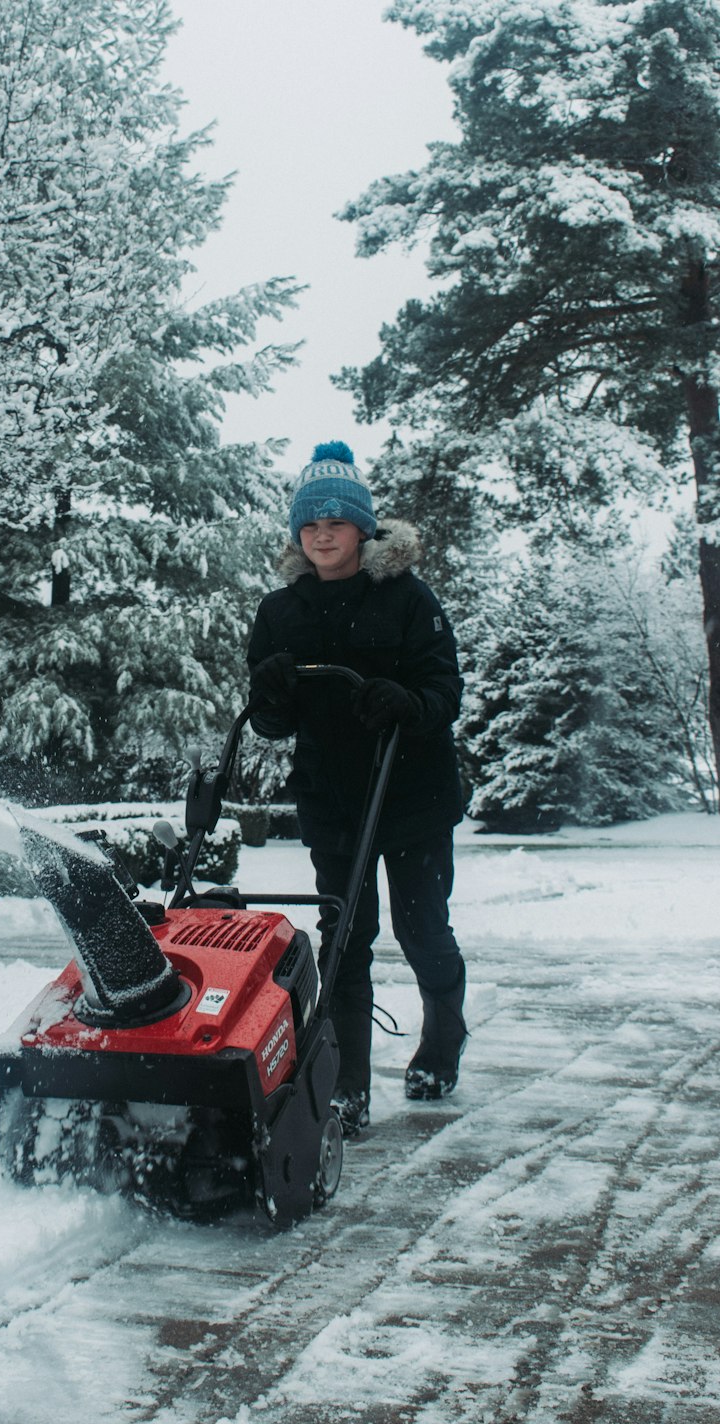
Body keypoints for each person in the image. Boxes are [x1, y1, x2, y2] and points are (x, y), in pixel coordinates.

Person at [247, 441, 466, 1135]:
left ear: (364, 528)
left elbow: (443, 690)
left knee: (422, 925)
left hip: (413, 795)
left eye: (336, 522)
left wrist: (407, 701)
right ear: (298, 534)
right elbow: (271, 722)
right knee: (345, 935)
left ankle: (443, 1036)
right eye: (310, 524)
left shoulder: (408, 598)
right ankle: (348, 1088)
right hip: (334, 798)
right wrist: (272, 693)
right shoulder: (281, 611)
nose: (323, 534)